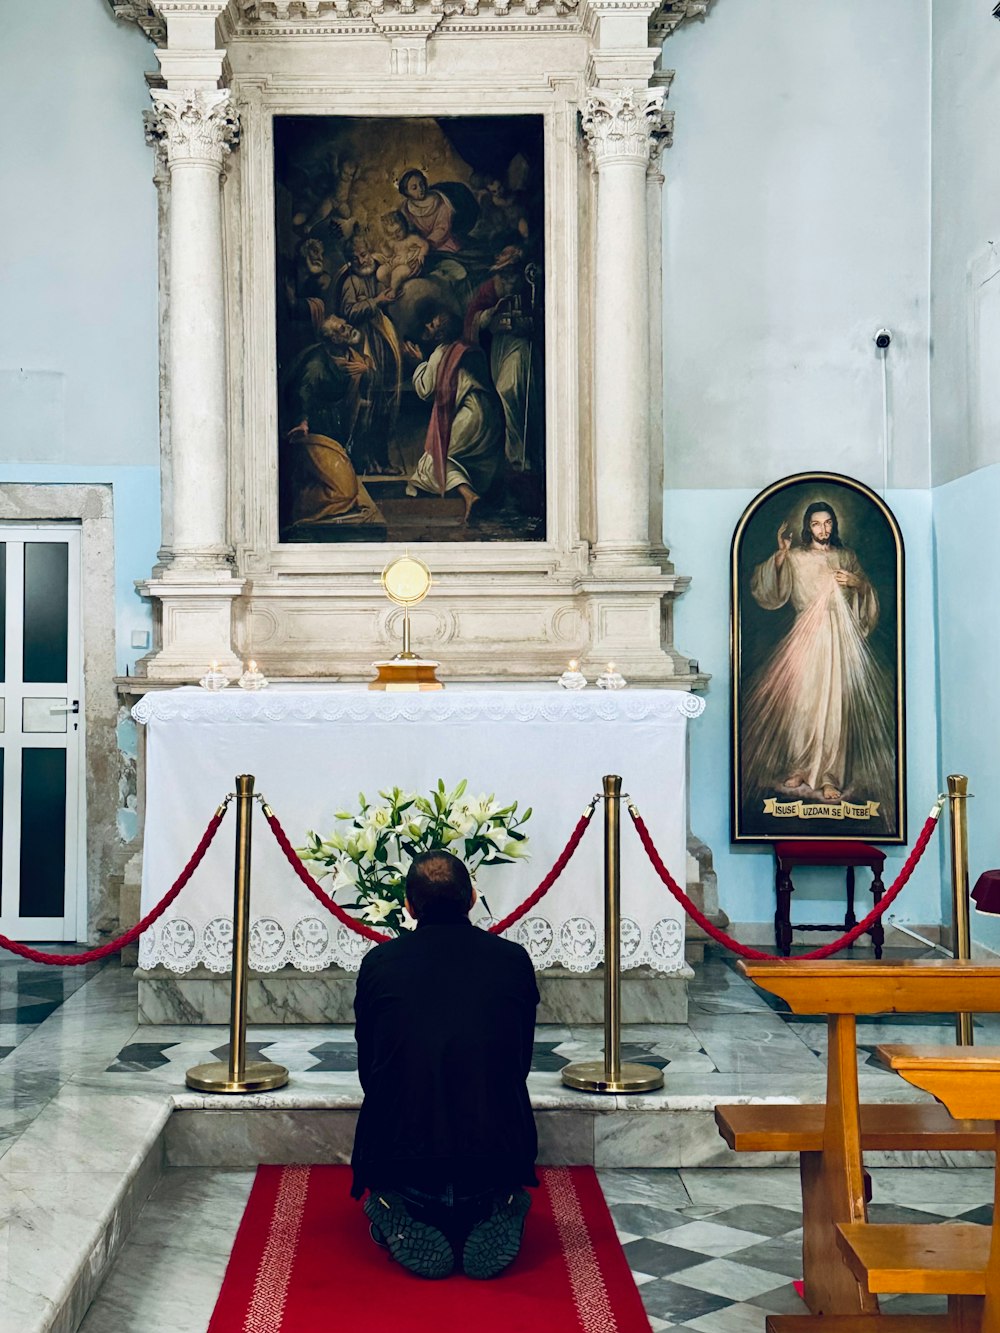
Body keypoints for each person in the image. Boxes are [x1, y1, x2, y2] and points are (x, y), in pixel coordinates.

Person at [352, 850, 540, 1281]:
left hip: (405, 1164)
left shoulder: (380, 964)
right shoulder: (512, 961)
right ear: (472, 898)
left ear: (409, 907)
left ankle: (394, 1208)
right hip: (493, 1159)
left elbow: (370, 1069)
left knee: (390, 1097)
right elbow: (520, 1061)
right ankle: (502, 1204)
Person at [744, 500, 896, 813]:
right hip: (806, 634)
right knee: (803, 701)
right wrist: (781, 555)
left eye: (827, 523)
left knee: (835, 706)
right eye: (816, 524)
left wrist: (858, 583)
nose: (822, 529)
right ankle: (799, 765)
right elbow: (766, 588)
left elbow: (867, 594)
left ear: (834, 525)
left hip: (839, 636)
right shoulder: (796, 556)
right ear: (808, 526)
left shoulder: (846, 556)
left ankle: (830, 775)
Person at [404, 307, 504, 521]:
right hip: (490, 415)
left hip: (469, 416)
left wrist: (419, 362)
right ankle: (473, 492)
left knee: (433, 461)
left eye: (431, 325)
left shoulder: (440, 353)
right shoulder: (468, 348)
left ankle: (469, 496)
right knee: (465, 458)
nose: (427, 326)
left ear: (440, 335)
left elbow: (425, 390)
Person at [464, 245, 540, 471]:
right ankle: (512, 454)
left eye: (512, 272)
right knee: (502, 393)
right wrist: (490, 315)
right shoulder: (491, 288)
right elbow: (472, 319)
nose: (509, 277)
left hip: (520, 346)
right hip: (500, 347)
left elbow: (539, 317)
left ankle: (519, 454)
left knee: (511, 388)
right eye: (504, 272)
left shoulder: (530, 284)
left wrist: (526, 324)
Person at [336, 234, 405, 474]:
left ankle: (382, 460)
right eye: (354, 258)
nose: (360, 260)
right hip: (364, 347)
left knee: (385, 403)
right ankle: (364, 462)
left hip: (383, 344)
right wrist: (376, 301)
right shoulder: (350, 283)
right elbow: (349, 313)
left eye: (363, 254)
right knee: (368, 405)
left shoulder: (378, 274)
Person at [397, 168, 461, 254]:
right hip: (419, 246)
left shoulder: (440, 201)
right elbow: (408, 229)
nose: (420, 189)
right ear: (406, 192)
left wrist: (427, 244)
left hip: (442, 244)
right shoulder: (406, 208)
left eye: (421, 184)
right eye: (414, 188)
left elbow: (443, 227)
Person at [376, 210, 429, 299]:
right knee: (380, 272)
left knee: (397, 273)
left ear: (404, 225)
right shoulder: (392, 242)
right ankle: (390, 286)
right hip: (395, 263)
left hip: (407, 265)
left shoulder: (411, 238)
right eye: (391, 233)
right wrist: (384, 248)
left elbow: (424, 244)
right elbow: (389, 254)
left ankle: (393, 290)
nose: (396, 235)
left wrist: (421, 255)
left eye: (398, 231)